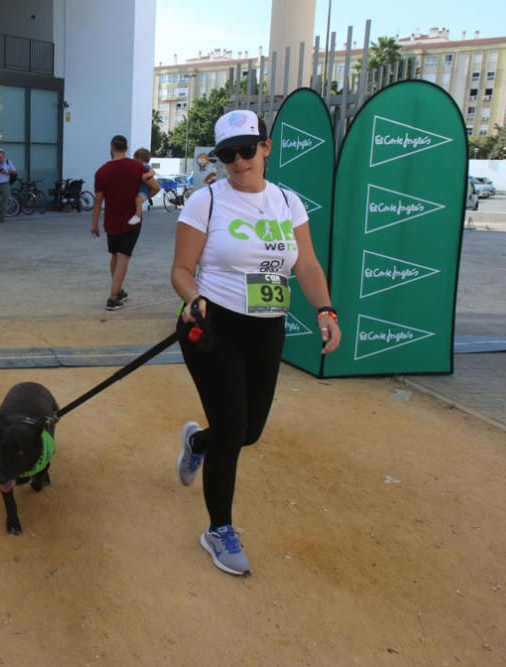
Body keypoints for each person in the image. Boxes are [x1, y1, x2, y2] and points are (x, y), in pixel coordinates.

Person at [170, 110, 342, 576]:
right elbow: (182, 270)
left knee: (249, 432)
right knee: (232, 431)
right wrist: (193, 299)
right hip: (213, 325)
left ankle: (197, 443)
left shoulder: (288, 202)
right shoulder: (205, 202)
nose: (238, 161)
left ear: (265, 148)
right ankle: (218, 529)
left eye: (247, 150)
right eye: (228, 154)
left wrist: (325, 310)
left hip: (267, 327)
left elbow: (305, 265)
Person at [91, 135, 161, 310]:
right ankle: (113, 298)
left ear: (112, 147)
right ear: (127, 148)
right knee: (123, 257)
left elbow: (98, 201)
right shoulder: (137, 167)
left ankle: (118, 289)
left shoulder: (101, 172)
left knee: (114, 255)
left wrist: (94, 224)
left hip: (110, 221)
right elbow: (156, 186)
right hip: (131, 220)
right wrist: (144, 199)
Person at [128, 147, 154, 225]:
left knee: (138, 200)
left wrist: (147, 174)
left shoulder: (146, 166)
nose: (134, 159)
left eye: (135, 158)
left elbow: (152, 172)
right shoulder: (139, 166)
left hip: (144, 191)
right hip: (140, 190)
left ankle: (137, 216)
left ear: (139, 158)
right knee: (137, 200)